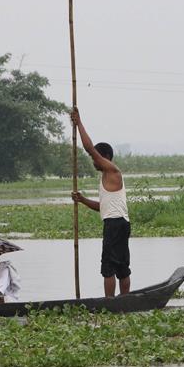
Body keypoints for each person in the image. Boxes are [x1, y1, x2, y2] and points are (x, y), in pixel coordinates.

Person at [70, 108, 131, 297]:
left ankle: (110, 303)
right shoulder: (107, 176)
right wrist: (82, 200)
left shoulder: (112, 170)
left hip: (114, 224)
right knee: (121, 265)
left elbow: (89, 148)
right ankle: (124, 299)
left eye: (96, 158)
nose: (93, 161)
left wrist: (78, 122)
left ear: (104, 157)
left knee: (109, 266)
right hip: (120, 222)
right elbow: (103, 207)